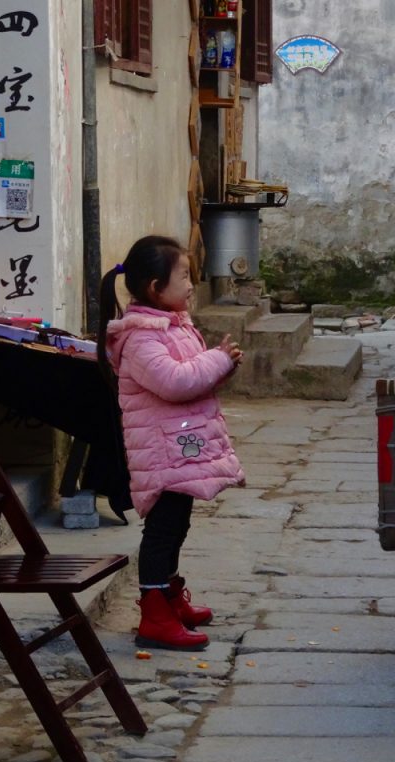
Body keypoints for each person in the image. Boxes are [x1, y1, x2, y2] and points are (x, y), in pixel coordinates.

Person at [97, 235, 246, 651]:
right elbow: (176, 382)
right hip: (161, 452)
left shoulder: (173, 325)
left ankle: (169, 595)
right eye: (183, 276)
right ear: (155, 288)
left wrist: (223, 366)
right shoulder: (141, 338)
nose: (191, 285)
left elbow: (194, 378)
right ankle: (154, 614)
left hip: (179, 446)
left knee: (178, 524)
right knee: (162, 531)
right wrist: (217, 359)